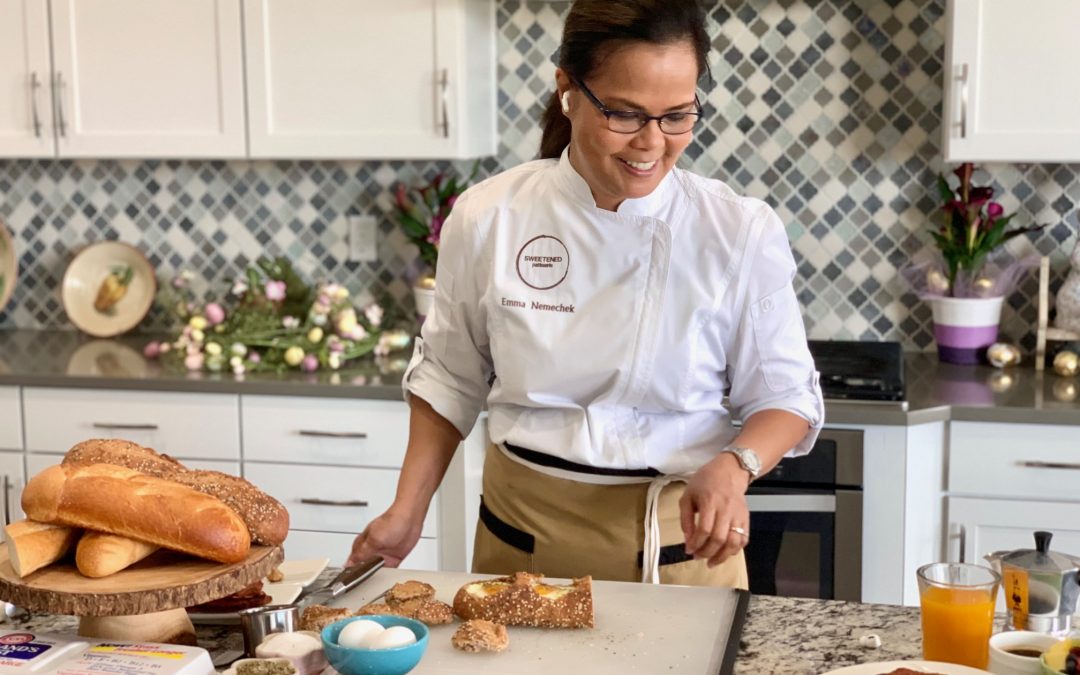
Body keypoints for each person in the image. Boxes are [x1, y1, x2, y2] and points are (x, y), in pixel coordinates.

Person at [348, 0, 823, 588]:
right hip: (520, 540)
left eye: (677, 116)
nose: (652, 143)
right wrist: (407, 510)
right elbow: (451, 376)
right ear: (567, 90)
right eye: (624, 114)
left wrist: (736, 465)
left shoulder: (739, 230)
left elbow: (786, 395)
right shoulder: (488, 215)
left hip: (678, 549)